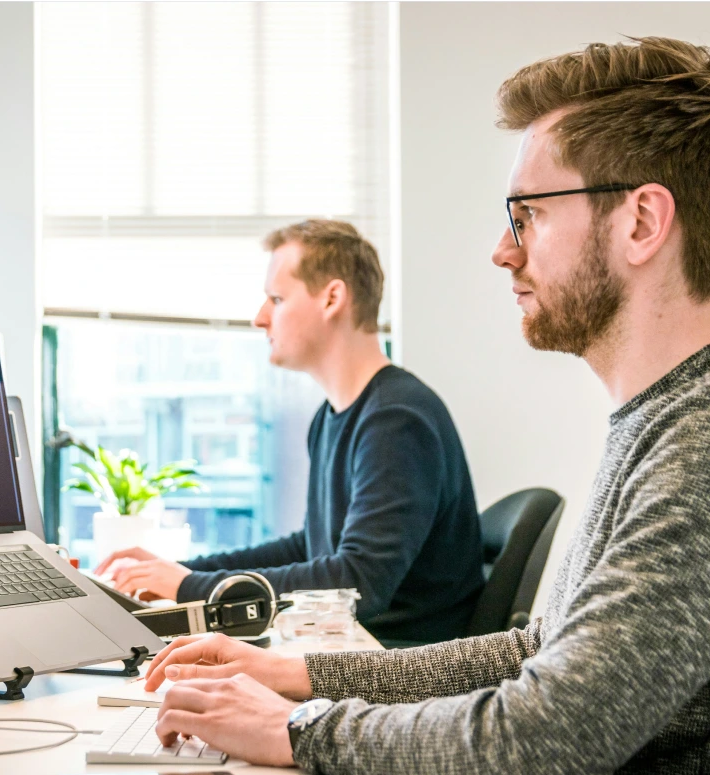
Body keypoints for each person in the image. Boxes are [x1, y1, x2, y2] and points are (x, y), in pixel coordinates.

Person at [138, 37, 710, 775]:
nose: (501, 250)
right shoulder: (668, 417)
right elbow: (539, 651)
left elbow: (539, 744)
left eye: (527, 216)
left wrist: (297, 727)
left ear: (642, 221)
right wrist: (300, 674)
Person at [96, 220, 484, 644]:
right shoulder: (333, 417)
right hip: (353, 649)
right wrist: (186, 572)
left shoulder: (397, 421)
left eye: (277, 299)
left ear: (332, 298)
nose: (260, 318)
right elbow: (311, 548)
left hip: (397, 664)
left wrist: (189, 588)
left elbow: (357, 584)